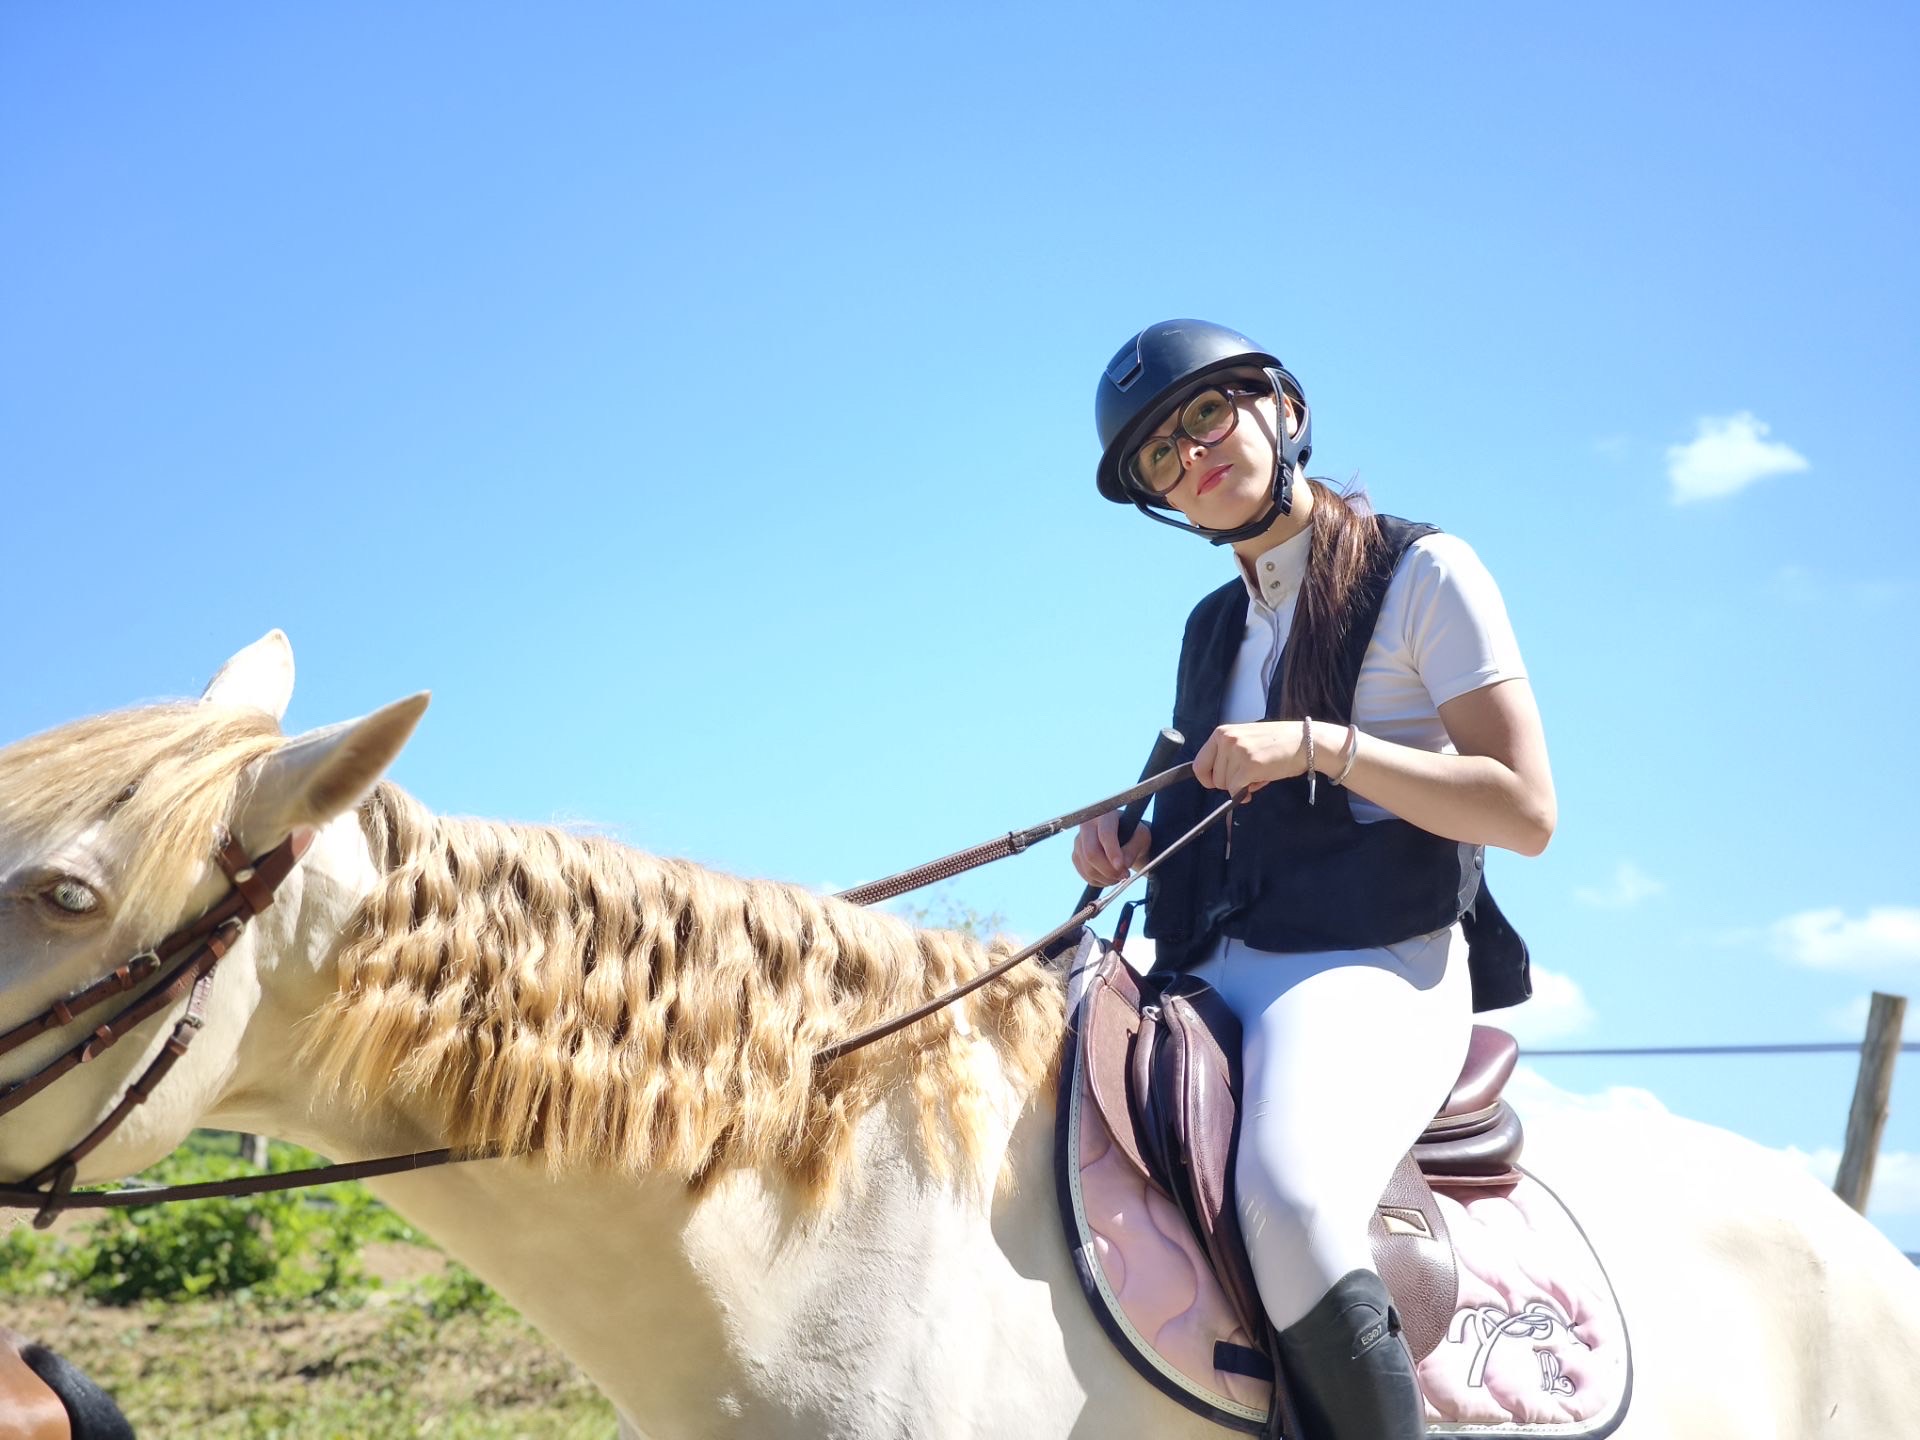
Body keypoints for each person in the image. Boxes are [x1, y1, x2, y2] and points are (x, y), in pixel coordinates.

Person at [1071, 319, 1554, 1440]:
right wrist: (1126, 830)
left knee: (1287, 1199)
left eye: (1206, 414)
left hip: (1376, 963)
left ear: (1283, 410)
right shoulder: (1211, 626)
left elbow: (1527, 811)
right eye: (1161, 455)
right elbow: (1205, 794)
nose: (1192, 453)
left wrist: (1320, 746)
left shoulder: (1424, 571)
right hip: (1203, 972)